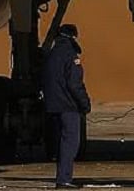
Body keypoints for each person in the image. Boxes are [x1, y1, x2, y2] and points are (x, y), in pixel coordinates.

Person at [41, 23, 91, 189]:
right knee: (70, 143)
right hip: (68, 106)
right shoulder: (70, 55)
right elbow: (74, 83)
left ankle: (62, 177)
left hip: (53, 105)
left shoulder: (51, 54)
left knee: (61, 143)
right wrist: (84, 104)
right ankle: (64, 179)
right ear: (73, 36)